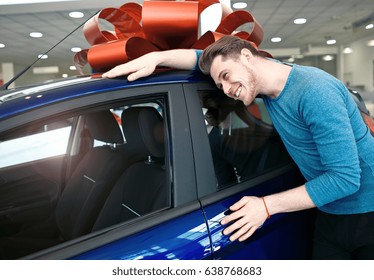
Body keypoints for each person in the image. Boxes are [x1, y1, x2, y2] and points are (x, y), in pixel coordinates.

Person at [102, 35, 374, 259]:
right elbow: (200, 60)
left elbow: (345, 178)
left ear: (246, 56)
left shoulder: (314, 91)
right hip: (331, 212)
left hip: (367, 211)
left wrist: (266, 207)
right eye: (220, 84)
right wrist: (157, 58)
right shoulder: (266, 81)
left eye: (226, 76)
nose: (226, 89)